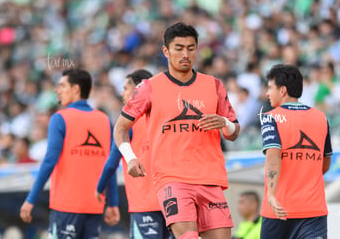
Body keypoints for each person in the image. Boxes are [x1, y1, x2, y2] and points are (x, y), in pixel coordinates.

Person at [113, 22, 240, 239]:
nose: (185, 54)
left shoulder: (214, 85)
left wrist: (225, 123)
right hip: (172, 179)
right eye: (179, 48)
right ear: (166, 51)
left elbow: (234, 131)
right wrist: (131, 157)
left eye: (191, 48)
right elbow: (120, 128)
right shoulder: (149, 87)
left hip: (211, 179)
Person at [20, 69, 120, 238]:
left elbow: (50, 161)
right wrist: (113, 203)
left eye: (62, 85)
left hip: (66, 207)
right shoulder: (105, 120)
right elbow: (110, 165)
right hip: (94, 207)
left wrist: (31, 199)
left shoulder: (60, 118)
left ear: (75, 89)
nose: (56, 90)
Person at [96, 69, 174, 239]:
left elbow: (111, 164)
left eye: (126, 88)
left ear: (139, 89)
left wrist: (99, 189)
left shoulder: (128, 125)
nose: (122, 93)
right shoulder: (170, 118)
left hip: (144, 205)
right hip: (173, 203)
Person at [259, 64, 332, 239]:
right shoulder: (321, 117)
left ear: (282, 90)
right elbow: (325, 163)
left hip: (277, 210)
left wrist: (270, 194)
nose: (267, 93)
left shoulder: (271, 117)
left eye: (270, 88)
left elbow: (273, 155)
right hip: (313, 211)